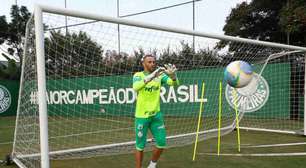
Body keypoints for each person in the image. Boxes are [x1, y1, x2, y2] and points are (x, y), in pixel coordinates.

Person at [132, 54, 179, 168]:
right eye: (149, 62)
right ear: (143, 63)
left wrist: (173, 76)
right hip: (142, 116)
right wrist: (151, 77)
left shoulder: (160, 75)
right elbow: (136, 87)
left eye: (153, 62)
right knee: (140, 146)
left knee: (161, 143)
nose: (152, 64)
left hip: (156, 115)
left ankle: (152, 165)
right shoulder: (138, 75)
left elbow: (175, 84)